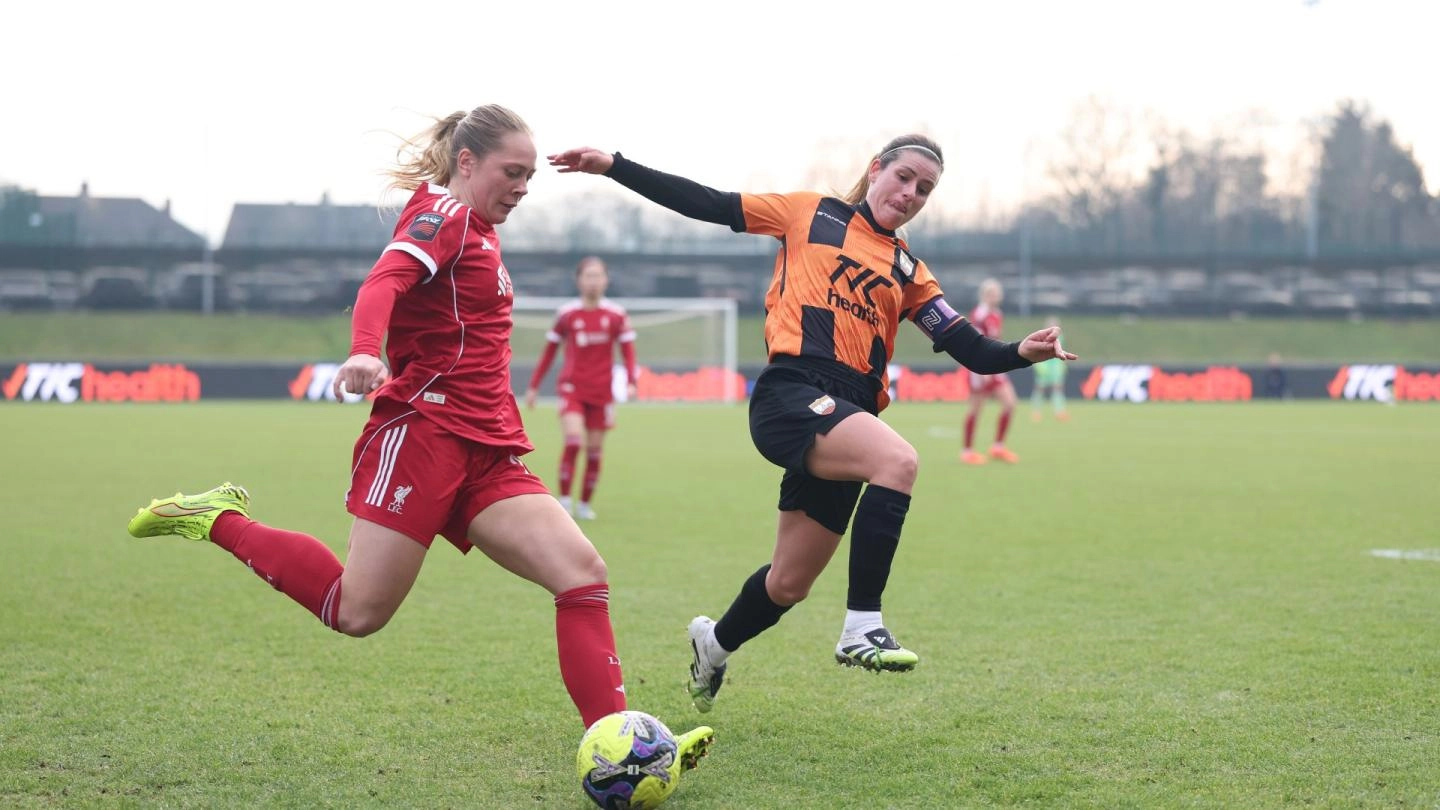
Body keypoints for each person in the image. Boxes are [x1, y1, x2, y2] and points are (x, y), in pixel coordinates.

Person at [124, 105, 713, 767]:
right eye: (510, 172)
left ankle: (619, 745)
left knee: (582, 576)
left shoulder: (478, 225)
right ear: (467, 163)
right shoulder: (447, 217)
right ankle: (218, 519)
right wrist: (363, 350)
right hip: (424, 436)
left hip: (486, 447)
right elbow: (386, 279)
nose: (522, 186)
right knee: (357, 611)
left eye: (528, 176)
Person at [549, 136, 1075, 713]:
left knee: (787, 584)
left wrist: (1021, 352)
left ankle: (714, 644)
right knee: (898, 461)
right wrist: (615, 167)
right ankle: (862, 627)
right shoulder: (810, 213)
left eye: (925, 189)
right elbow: (708, 202)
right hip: (792, 394)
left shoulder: (908, 268)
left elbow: (968, 346)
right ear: (875, 169)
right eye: (903, 177)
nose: (911, 194)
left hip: (851, 416)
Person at [524, 257, 638, 520]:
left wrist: (632, 380)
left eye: (598, 276)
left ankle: (585, 505)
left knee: (595, 451)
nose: (593, 281)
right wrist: (533, 386)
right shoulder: (567, 314)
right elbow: (549, 352)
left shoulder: (616, 315)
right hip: (572, 388)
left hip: (602, 391)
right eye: (588, 276)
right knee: (574, 441)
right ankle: (564, 501)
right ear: (578, 280)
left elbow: (628, 351)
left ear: (606, 280)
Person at [960, 279, 1021, 464]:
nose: (996, 296)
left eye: (997, 292)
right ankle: (967, 451)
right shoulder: (979, 314)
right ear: (985, 295)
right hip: (980, 369)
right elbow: (975, 344)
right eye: (992, 293)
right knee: (976, 409)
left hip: (996, 368)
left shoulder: (997, 314)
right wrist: (979, 372)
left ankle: (998, 447)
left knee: (1010, 403)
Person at [1030, 316, 1070, 422]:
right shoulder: (1042, 337)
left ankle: (1059, 412)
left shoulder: (1060, 337)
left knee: (1057, 390)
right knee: (1040, 390)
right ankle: (1036, 412)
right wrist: (1038, 366)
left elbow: (1060, 351)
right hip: (1044, 367)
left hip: (1056, 368)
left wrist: (1062, 365)